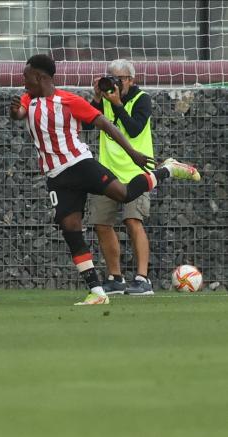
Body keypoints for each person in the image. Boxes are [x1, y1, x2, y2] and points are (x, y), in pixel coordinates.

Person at [9, 54, 200, 305]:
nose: (23, 81)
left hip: (79, 164)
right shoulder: (29, 97)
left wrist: (133, 154)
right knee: (71, 229)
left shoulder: (69, 101)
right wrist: (15, 112)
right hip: (55, 176)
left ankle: (168, 170)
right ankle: (97, 292)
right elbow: (20, 112)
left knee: (124, 194)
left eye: (26, 76)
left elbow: (104, 124)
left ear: (39, 77)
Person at [88, 59, 155, 295]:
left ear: (131, 80)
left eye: (120, 79)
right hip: (107, 171)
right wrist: (96, 98)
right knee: (102, 223)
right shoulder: (105, 99)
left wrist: (117, 104)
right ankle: (115, 277)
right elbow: (87, 126)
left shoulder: (142, 99)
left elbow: (135, 128)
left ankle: (142, 278)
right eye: (110, 77)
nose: (114, 83)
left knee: (133, 221)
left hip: (136, 172)